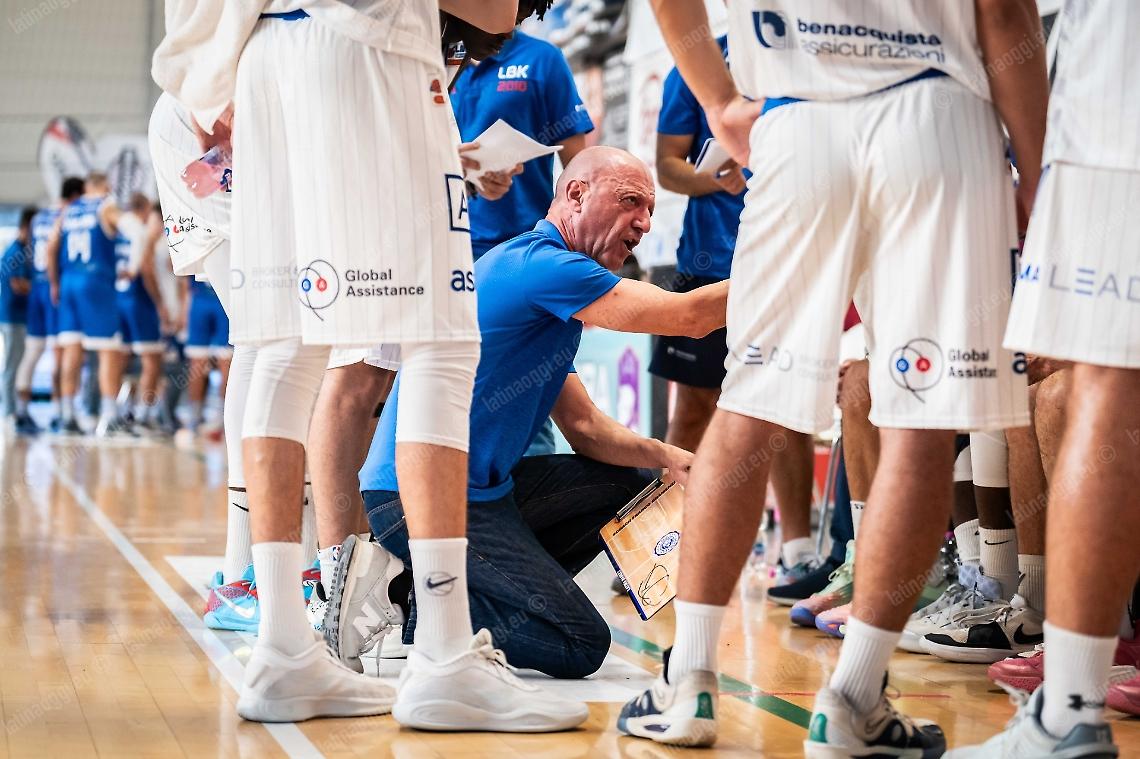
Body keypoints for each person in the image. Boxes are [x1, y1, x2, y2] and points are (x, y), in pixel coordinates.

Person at [153, 0, 590, 731]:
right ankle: (447, 655)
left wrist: (207, 71)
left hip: (259, 57)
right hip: (367, 43)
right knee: (442, 346)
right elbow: (492, 6)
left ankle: (284, 647)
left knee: (280, 347)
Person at [624, 1, 1046, 754]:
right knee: (920, 419)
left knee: (748, 403)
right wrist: (1037, 174)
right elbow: (1006, 12)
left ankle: (687, 682)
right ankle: (851, 699)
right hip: (938, 118)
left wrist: (720, 102)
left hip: (799, 120)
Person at [324, 146, 726, 679]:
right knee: (581, 643)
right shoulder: (544, 268)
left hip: (480, 493)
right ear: (576, 195)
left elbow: (583, 427)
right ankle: (403, 609)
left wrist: (666, 457)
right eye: (631, 202)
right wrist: (791, 276)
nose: (645, 223)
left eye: (650, 209)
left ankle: (470, 598)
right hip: (413, 499)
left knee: (625, 481)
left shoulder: (543, 277)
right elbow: (690, 316)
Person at [952, 2, 1140, 754]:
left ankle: (1068, 708)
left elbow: (1000, 7)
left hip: (1118, 94)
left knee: (1104, 381)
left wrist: (1034, 168)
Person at [651, 35, 818, 579]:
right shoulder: (699, 59)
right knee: (693, 410)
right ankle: (659, 543)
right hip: (705, 268)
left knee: (783, 409)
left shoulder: (803, 51)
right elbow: (667, 166)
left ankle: (796, 552)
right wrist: (713, 178)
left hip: (783, 261)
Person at [450, 17, 593, 457]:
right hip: (448, 250)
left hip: (522, 255)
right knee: (448, 382)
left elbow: (583, 169)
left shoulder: (541, 60)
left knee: (527, 383)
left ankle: (530, 486)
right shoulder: (441, 58)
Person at [50, 172, 131, 436]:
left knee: (71, 352)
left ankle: (66, 415)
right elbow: (132, 228)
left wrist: (54, 282)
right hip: (95, 280)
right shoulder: (106, 205)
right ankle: (109, 418)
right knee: (109, 350)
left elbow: (51, 247)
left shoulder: (69, 210)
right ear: (104, 186)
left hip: (69, 281)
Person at [14, 178, 84, 434]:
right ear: (77, 195)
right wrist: (55, 282)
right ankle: (61, 413)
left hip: (37, 288)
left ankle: (20, 412)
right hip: (55, 288)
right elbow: (54, 249)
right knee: (62, 353)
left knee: (32, 353)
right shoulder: (67, 214)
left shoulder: (39, 217)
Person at [115, 194, 168, 433]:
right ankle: (143, 417)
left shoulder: (119, 229)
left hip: (120, 300)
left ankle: (118, 412)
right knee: (152, 361)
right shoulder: (141, 233)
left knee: (121, 360)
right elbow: (145, 270)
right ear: (145, 209)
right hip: (140, 300)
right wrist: (160, 303)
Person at [180, 278, 231, 433]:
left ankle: (196, 418)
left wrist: (183, 307)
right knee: (225, 363)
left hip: (203, 299)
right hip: (221, 297)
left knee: (201, 364)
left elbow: (181, 276)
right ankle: (224, 417)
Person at [0, 208, 35, 429]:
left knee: (18, 363)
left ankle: (17, 411)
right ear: (25, 227)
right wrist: (41, 289)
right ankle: (10, 413)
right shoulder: (15, 252)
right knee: (12, 365)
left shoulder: (25, 250)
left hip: (19, 317)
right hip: (11, 317)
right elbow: (18, 285)